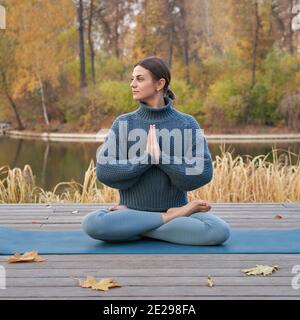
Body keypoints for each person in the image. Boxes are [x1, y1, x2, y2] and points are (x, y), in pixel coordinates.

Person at [82, 56, 231, 245]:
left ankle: (137, 228)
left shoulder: (186, 123)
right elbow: (104, 171)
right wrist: (147, 159)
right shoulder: (124, 123)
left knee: (218, 231)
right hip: (154, 215)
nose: (132, 84)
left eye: (140, 79)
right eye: (132, 78)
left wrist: (162, 159)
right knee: (92, 223)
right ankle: (166, 218)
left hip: (139, 217)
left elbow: (203, 172)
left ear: (160, 84)